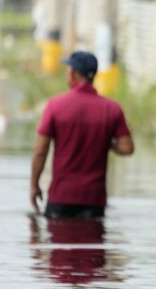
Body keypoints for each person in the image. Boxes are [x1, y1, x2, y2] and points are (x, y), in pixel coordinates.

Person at [30, 51, 134, 219]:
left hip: (61, 196)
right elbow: (127, 148)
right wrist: (106, 140)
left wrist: (34, 185)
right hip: (94, 199)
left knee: (59, 243)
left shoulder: (55, 106)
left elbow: (40, 151)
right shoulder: (112, 109)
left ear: (72, 73)